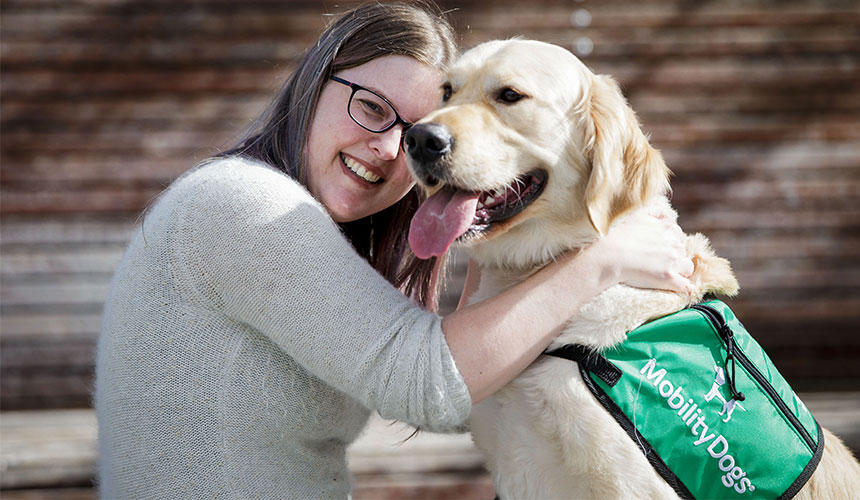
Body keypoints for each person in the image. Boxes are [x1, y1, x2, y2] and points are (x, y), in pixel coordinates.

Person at [95, 2, 694, 498]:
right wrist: (602, 262)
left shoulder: (319, 227)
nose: (392, 148)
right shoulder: (239, 203)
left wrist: (494, 246)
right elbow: (426, 384)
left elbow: (474, 388)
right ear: (314, 82)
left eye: (415, 128)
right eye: (372, 108)